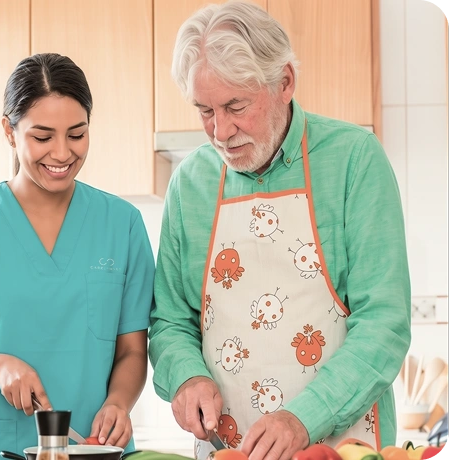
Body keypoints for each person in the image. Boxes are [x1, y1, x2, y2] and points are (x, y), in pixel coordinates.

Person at [148, 2, 411, 459]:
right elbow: (171, 321)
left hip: (344, 446)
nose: (220, 131)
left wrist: (302, 418)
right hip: (227, 448)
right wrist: (186, 376)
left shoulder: (355, 160)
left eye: (236, 106)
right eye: (204, 110)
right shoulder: (189, 183)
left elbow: (384, 323)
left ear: (285, 82)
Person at [0, 53, 155, 460]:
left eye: (77, 134)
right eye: (42, 137)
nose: (61, 153)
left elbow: (132, 350)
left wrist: (118, 404)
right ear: (9, 131)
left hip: (93, 448)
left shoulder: (122, 224)